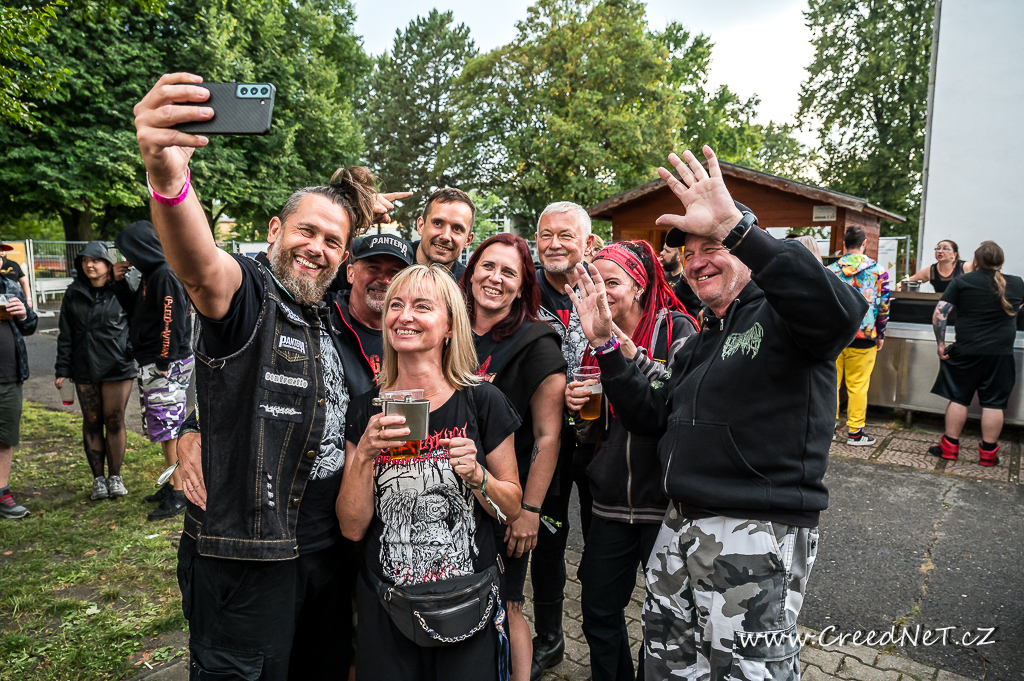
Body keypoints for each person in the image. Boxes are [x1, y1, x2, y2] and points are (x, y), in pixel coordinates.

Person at [133, 72, 399, 679]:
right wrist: (169, 182)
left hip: (325, 548)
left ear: (344, 258)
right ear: (275, 232)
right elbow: (202, 269)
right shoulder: (250, 294)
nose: (317, 247)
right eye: (306, 230)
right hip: (249, 554)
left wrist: (198, 423)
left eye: (333, 241)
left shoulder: (326, 312)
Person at [568, 146, 866, 681]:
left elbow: (841, 313)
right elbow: (652, 416)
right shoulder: (701, 339)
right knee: (667, 668)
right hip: (680, 523)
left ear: (745, 249)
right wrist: (608, 348)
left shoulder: (783, 316)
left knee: (747, 673)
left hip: (753, 528)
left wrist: (735, 226)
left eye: (714, 246)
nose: (698, 260)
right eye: (689, 253)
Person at [338, 264, 523, 681]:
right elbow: (351, 528)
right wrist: (364, 454)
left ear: (450, 326)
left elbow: (510, 508)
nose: (404, 316)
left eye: (422, 306)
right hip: (387, 605)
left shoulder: (483, 401)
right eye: (396, 305)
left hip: (465, 603)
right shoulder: (365, 408)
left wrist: (479, 477)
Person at [563, 241, 696, 681]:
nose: (601, 291)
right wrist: (577, 409)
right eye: (595, 281)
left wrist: (628, 356)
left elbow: (678, 401)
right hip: (610, 503)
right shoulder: (590, 338)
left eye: (613, 282)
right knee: (598, 609)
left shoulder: (676, 328)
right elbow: (589, 434)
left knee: (665, 617)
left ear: (639, 286)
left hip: (666, 506)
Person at [461, 234, 567, 681]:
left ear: (523, 285)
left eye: (509, 272)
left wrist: (529, 511)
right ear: (471, 273)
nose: (495, 278)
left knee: (507, 603)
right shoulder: (449, 325)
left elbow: (549, 436)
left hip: (506, 496)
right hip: (450, 491)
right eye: (488, 266)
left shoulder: (538, 343)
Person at [530, 200, 597, 680]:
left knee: (600, 546)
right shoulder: (522, 288)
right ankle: (550, 639)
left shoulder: (606, 285)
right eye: (546, 235)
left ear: (588, 242)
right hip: (544, 441)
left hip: (599, 444)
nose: (554, 244)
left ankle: (602, 640)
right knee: (548, 540)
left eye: (565, 235)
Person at [112, 221, 193, 520]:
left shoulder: (164, 274)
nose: (127, 258)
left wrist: (163, 361)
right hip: (155, 363)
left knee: (169, 430)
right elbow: (136, 312)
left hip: (165, 365)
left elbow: (172, 321)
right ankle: (172, 483)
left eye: (129, 251)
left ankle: (180, 492)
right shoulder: (150, 274)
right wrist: (119, 283)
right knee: (162, 426)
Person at [928, 240, 1023, 465]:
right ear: (1000, 261)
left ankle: (949, 448)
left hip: (966, 351)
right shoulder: (1017, 283)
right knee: (994, 403)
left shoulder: (963, 281)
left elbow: (940, 314)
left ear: (976, 261)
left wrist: (940, 343)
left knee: (959, 398)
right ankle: (989, 455)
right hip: (1000, 354)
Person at [54, 241, 137, 500]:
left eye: (96, 260)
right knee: (91, 421)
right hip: (84, 366)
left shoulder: (121, 290)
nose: (89, 265)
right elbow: (66, 334)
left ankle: (115, 477)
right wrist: (62, 368)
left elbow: (138, 323)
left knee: (114, 419)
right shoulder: (73, 293)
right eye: (85, 260)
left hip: (118, 366)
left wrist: (129, 351)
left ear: (108, 263)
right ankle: (98, 480)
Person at [828, 225, 890, 445]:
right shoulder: (879, 272)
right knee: (858, 386)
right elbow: (884, 306)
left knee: (831, 384)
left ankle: (829, 429)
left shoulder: (831, 270)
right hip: (864, 335)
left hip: (835, 336)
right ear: (864, 243)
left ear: (844, 244)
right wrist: (880, 333)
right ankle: (855, 433)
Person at [332, 234, 414, 379]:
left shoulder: (416, 335)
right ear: (351, 273)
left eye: (395, 272)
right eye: (374, 268)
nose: (385, 280)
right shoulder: (324, 327)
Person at [0, 275, 37, 519]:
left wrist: (24, 314)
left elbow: (30, 326)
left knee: (5, 437)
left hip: (9, 375)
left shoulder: (10, 286)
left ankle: (1, 493)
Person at [412, 188, 476, 280]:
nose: (445, 236)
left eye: (457, 229)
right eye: (437, 223)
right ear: (421, 226)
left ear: (468, 240)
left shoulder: (468, 283)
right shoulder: (394, 258)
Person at [907, 239, 973, 292]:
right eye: (938, 248)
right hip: (940, 303)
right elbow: (908, 281)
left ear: (954, 254)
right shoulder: (931, 270)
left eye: (945, 248)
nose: (940, 251)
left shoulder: (965, 267)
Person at [0, 243, 32, 308]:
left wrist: (28, 299)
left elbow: (24, 282)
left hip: (13, 301)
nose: (2, 252)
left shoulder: (14, 265)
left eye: (3, 250)